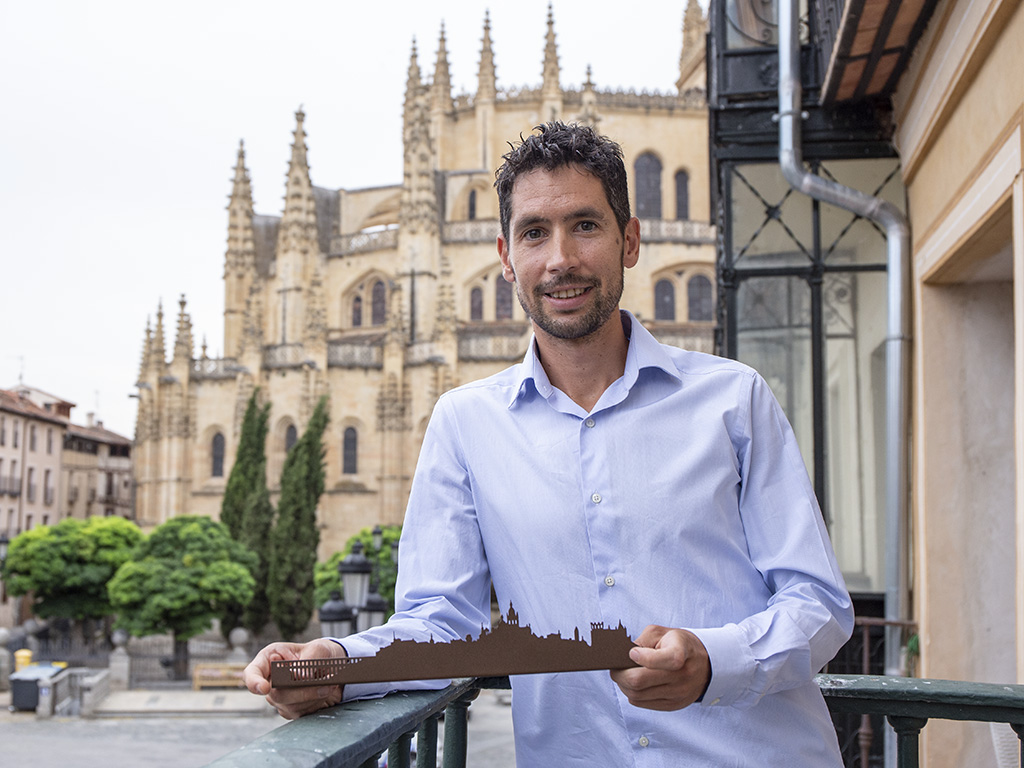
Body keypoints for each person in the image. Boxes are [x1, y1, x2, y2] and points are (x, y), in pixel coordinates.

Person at [245, 122, 854, 766]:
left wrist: (714, 662)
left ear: (632, 240)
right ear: (506, 257)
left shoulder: (734, 399)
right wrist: (335, 662)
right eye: (535, 232)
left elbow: (817, 604)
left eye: (586, 225)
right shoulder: (464, 424)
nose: (560, 258)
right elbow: (439, 621)